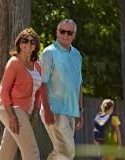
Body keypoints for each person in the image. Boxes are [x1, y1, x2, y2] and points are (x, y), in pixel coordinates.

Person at [39, 18, 83, 160]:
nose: (65, 35)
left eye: (69, 32)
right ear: (57, 32)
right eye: (62, 31)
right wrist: (46, 110)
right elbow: (42, 83)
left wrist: (80, 110)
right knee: (67, 151)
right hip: (54, 109)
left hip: (71, 111)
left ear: (74, 35)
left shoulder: (77, 55)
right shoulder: (48, 53)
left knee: (63, 152)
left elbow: (79, 84)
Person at [0, 28, 41, 160]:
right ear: (19, 44)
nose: (28, 44)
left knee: (6, 152)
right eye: (25, 40)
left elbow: (39, 91)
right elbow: (3, 90)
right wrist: (12, 117)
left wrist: (35, 112)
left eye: (32, 42)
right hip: (11, 109)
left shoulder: (37, 66)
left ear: (35, 46)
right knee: (32, 151)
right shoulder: (14, 63)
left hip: (26, 112)